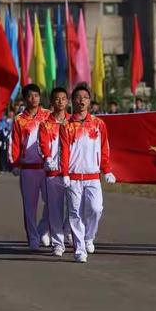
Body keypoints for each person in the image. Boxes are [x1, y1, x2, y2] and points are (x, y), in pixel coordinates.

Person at [60, 83, 116, 263]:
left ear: (89, 101)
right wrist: (65, 173)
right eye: (78, 97)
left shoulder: (99, 124)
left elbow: (104, 148)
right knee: (75, 212)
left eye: (85, 97)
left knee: (95, 209)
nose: (82, 100)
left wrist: (107, 170)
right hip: (74, 177)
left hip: (93, 176)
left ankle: (89, 236)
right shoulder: (66, 126)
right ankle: (80, 249)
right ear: (72, 101)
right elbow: (64, 151)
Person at [9, 84, 51, 250]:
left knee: (53, 203)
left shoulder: (48, 116)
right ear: (25, 99)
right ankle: (33, 238)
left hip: (47, 168)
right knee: (29, 206)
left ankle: (43, 229)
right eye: (30, 96)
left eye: (36, 95)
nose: (34, 99)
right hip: (28, 169)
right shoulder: (20, 120)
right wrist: (15, 163)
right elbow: (15, 143)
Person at [38, 87, 71, 257]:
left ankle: (68, 232)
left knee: (75, 208)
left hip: (71, 172)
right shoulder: (45, 124)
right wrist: (47, 157)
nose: (60, 102)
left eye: (63, 98)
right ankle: (58, 243)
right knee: (55, 209)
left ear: (67, 101)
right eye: (57, 99)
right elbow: (42, 143)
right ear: (52, 102)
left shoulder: (73, 122)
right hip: (52, 172)